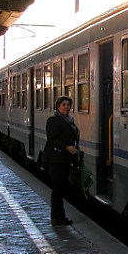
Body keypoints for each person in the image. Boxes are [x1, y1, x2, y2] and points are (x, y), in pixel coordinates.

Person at [43, 96, 79, 226]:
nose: (66, 107)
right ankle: (57, 218)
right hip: (57, 159)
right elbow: (51, 139)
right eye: (63, 104)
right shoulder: (53, 120)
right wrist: (66, 148)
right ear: (58, 106)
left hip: (64, 159)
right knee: (58, 189)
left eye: (68, 104)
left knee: (61, 188)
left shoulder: (69, 121)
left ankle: (59, 216)